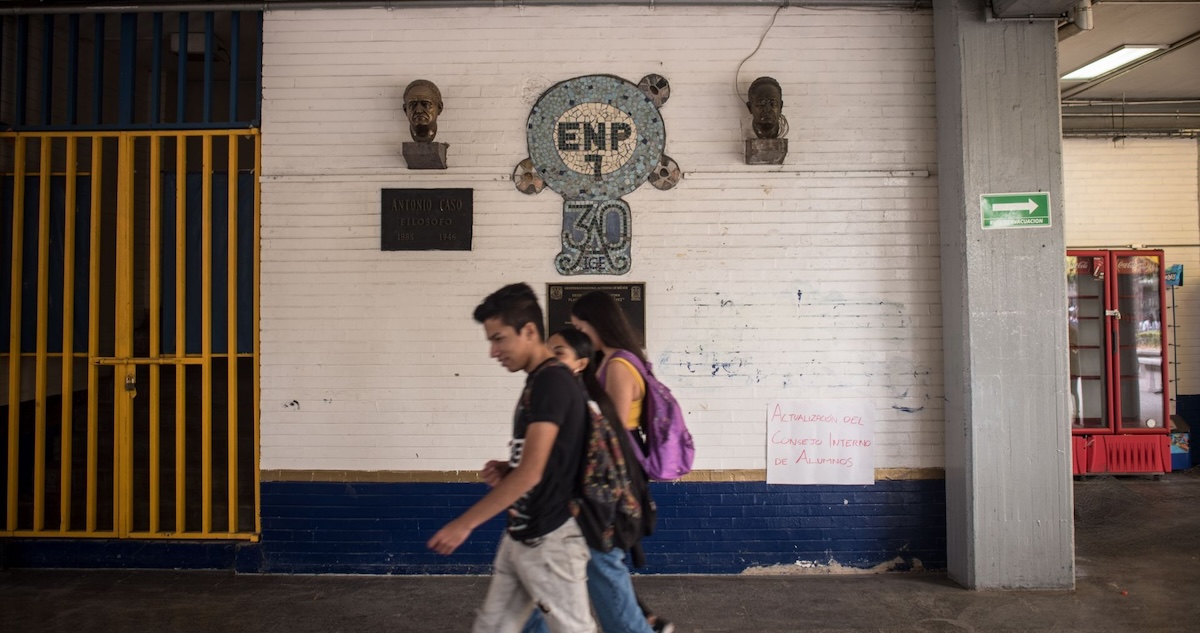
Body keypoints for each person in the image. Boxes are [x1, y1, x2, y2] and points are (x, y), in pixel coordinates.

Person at [427, 283, 595, 633]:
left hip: (550, 540)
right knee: (493, 627)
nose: (493, 351)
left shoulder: (552, 382)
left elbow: (531, 474)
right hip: (521, 535)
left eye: (499, 338)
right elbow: (543, 460)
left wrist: (465, 524)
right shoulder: (538, 381)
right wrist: (510, 468)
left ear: (529, 331)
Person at [523, 327, 666, 633]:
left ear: (581, 362)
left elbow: (583, 465)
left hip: (587, 517)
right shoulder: (566, 399)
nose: (551, 359)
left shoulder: (586, 405)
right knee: (539, 592)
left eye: (559, 352)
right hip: (569, 517)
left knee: (609, 599)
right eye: (549, 352)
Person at [571, 291, 673, 633]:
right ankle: (644, 617)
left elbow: (608, 426)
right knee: (602, 553)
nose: (579, 335)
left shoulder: (617, 365)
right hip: (622, 462)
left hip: (617, 465)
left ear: (596, 324)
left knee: (602, 550)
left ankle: (640, 621)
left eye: (580, 327)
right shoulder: (622, 359)